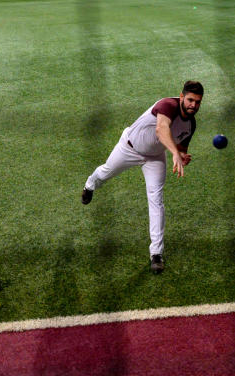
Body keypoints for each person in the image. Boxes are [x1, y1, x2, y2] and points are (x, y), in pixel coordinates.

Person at [81, 80, 204, 274]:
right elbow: (161, 129)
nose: (193, 105)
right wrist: (173, 152)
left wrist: (181, 156)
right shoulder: (167, 105)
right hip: (128, 148)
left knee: (156, 199)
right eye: (190, 100)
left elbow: (181, 149)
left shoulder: (191, 124)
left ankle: (156, 254)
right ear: (181, 97)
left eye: (197, 102)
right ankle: (90, 185)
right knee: (105, 172)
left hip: (154, 158)